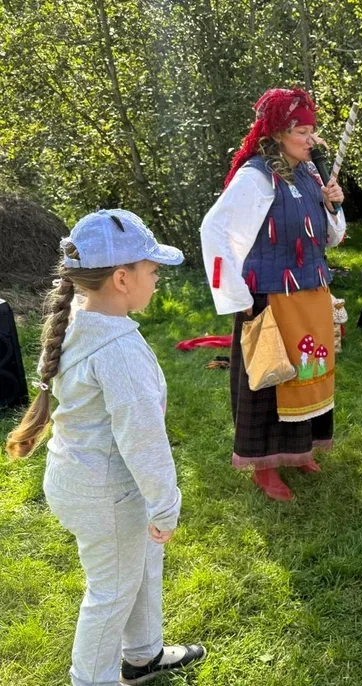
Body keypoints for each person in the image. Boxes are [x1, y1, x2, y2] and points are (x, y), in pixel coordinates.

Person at [5, 210, 205, 686]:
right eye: (152, 270)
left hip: (84, 479)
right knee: (112, 591)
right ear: (121, 278)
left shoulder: (79, 320)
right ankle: (91, 680)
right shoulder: (119, 351)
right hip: (107, 492)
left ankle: (142, 655)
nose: (157, 278)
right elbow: (143, 439)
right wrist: (165, 506)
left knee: (141, 566)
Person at [200, 87, 347, 501]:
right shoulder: (256, 176)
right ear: (279, 132)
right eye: (302, 131)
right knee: (269, 383)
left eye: (313, 130)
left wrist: (333, 206)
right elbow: (215, 230)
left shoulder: (311, 174)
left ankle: (300, 450)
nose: (311, 139)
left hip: (311, 293)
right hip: (270, 298)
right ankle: (264, 468)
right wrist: (239, 298)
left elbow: (330, 239)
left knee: (307, 374)